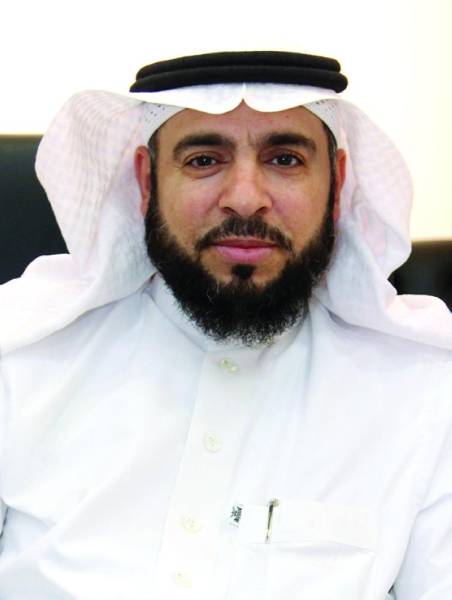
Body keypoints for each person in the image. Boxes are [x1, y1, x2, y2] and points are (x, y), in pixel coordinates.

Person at [0, 50, 451, 599]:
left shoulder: (425, 392)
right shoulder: (19, 359)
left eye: (284, 159)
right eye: (203, 160)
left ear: (337, 185)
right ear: (146, 182)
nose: (244, 198)